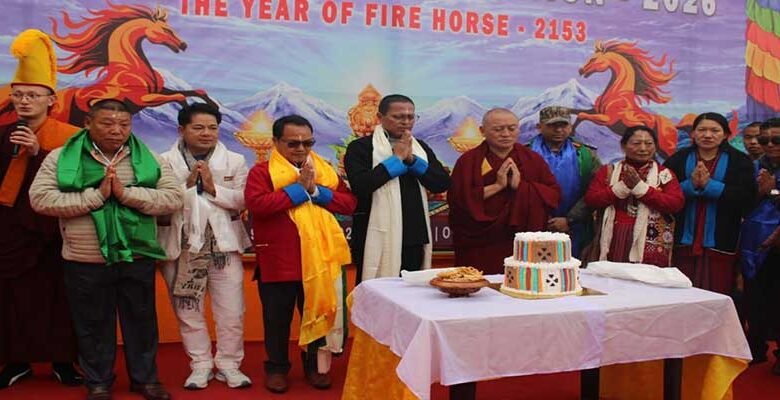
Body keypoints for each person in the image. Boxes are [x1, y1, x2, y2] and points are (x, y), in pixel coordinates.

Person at [29, 99, 183, 400]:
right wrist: (95, 197)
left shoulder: (147, 157)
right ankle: (98, 382)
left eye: (123, 125)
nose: (116, 130)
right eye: (107, 123)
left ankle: (146, 379)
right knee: (92, 324)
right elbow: (41, 199)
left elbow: (174, 197)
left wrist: (126, 195)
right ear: (88, 123)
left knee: (141, 321)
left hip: (136, 254)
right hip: (85, 258)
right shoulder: (62, 157)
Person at [245, 114, 355, 394]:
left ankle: (315, 367)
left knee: (319, 314)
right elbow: (257, 205)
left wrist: (315, 190)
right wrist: (297, 190)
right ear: (276, 142)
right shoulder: (261, 172)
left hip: (320, 261)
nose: (301, 149)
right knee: (277, 320)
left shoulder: (324, 171)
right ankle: (277, 369)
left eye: (308, 142)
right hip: (280, 261)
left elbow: (348, 203)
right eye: (293, 143)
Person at [0, 29, 82, 389]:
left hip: (54, 227)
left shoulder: (68, 135)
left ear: (51, 100)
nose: (24, 101)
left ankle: (64, 361)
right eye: (18, 95)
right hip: (11, 228)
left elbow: (78, 178)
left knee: (60, 296)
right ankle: (17, 360)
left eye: (33, 95)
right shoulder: (3, 132)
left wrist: (39, 154)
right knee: (13, 296)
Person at [158, 103, 252, 390]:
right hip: (181, 246)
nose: (207, 133)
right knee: (187, 310)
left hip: (223, 247)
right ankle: (200, 365)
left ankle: (229, 365)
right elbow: (160, 202)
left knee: (232, 312)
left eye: (212, 128)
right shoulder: (163, 161)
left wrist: (212, 188)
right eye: (198, 127)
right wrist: (185, 185)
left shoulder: (235, 160)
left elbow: (243, 201)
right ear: (181, 130)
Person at [344, 94, 450, 282]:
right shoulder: (361, 148)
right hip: (374, 234)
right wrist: (396, 161)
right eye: (399, 117)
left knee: (414, 295)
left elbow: (440, 182)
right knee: (377, 294)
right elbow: (361, 186)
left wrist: (412, 161)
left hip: (414, 234)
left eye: (410, 117)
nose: (406, 122)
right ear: (380, 117)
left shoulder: (420, 148)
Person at [448, 108, 561, 274]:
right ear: (482, 131)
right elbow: (459, 201)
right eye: (498, 129)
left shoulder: (532, 159)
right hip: (479, 243)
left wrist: (520, 186)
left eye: (511, 128)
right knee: (478, 285)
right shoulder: (468, 161)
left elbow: (553, 195)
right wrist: (497, 186)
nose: (506, 134)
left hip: (518, 242)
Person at [664, 112, 756, 295]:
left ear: (726, 134)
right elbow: (664, 193)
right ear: (693, 134)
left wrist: (711, 186)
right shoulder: (678, 159)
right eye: (702, 130)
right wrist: (690, 186)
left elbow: (747, 198)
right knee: (680, 290)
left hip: (722, 235)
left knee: (717, 290)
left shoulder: (740, 161)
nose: (707, 135)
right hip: (682, 236)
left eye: (714, 130)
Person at [584, 126, 684, 266]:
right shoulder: (609, 172)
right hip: (614, 237)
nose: (643, 148)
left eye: (649, 144)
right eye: (636, 143)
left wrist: (640, 189)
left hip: (650, 240)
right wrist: (621, 187)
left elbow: (675, 204)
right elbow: (591, 200)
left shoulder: (664, 175)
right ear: (623, 146)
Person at [528, 105, 601, 257]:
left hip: (576, 226)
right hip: (533, 224)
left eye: (563, 125)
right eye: (552, 126)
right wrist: (542, 218)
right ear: (539, 127)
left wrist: (570, 220)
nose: (559, 130)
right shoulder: (525, 153)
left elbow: (594, 190)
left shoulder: (586, 154)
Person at [739, 117, 780, 371]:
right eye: (765, 140)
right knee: (756, 297)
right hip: (755, 242)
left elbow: (773, 194)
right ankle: (756, 348)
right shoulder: (754, 167)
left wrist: (774, 192)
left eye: (777, 140)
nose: (769, 144)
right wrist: (760, 192)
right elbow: (743, 203)